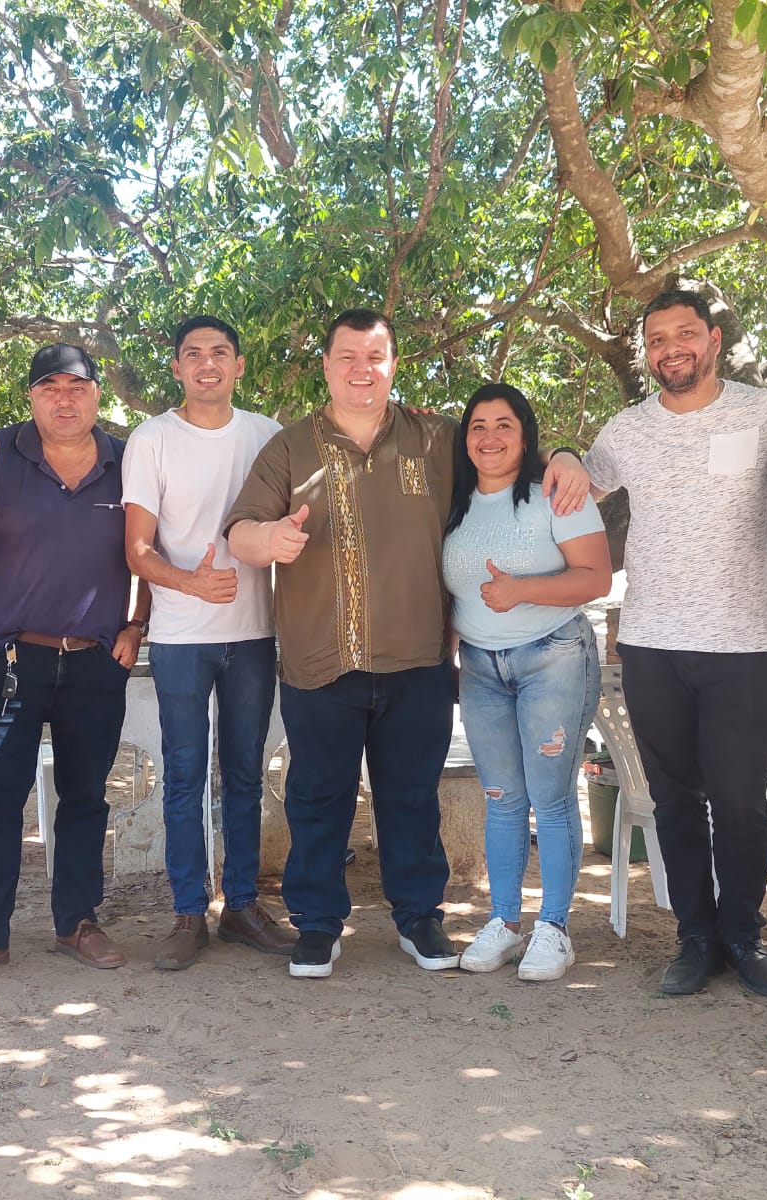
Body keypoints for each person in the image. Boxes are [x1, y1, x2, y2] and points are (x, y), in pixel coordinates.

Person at [224, 309, 590, 979]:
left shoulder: (437, 438)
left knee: (411, 795)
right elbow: (241, 529)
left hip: (419, 659)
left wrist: (562, 456)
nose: (361, 369)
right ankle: (318, 924)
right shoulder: (289, 446)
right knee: (316, 796)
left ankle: (419, 918)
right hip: (318, 660)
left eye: (375, 356)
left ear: (394, 364)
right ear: (327, 365)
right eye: (347, 357)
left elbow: (506, 450)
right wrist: (267, 542)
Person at [583, 289, 767, 998]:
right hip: (651, 643)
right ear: (647, 353)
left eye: (684, 333)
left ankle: (744, 934)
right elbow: (577, 483)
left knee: (741, 802)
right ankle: (695, 938)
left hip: (744, 643)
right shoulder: (625, 430)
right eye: (656, 338)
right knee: (674, 800)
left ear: (712, 339)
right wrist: (555, 449)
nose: (670, 347)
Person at [0, 343, 150, 986]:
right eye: (49, 386)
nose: (64, 398)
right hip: (9, 659)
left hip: (96, 660)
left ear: (96, 394)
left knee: (86, 798)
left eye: (76, 386)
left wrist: (137, 625)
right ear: (30, 397)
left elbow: (152, 546)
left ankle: (77, 922)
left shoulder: (127, 459)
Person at [121, 316, 296, 969]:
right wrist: (189, 583)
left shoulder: (266, 435)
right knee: (185, 776)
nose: (207, 364)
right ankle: (188, 913)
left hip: (254, 634)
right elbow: (137, 549)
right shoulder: (153, 439)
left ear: (239, 365)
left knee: (246, 775)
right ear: (176, 369)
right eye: (192, 354)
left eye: (220, 352)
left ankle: (243, 907)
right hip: (179, 639)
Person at [444, 384, 611, 982]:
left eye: (504, 425)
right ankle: (506, 921)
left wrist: (520, 590)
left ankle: (555, 927)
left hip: (553, 656)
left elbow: (596, 577)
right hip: (483, 668)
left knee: (551, 796)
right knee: (501, 798)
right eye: (478, 426)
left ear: (526, 434)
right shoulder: (454, 500)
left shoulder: (555, 493)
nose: (490, 438)